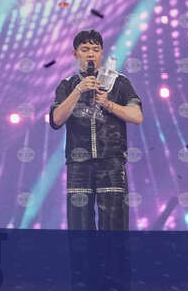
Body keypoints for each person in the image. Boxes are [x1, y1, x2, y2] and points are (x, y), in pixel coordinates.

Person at [48, 29, 143, 231]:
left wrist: (108, 104)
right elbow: (56, 120)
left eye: (95, 49)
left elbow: (137, 116)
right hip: (78, 165)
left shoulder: (119, 82)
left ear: (102, 53)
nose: (90, 54)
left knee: (114, 229)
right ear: (75, 54)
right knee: (79, 228)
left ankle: (112, 255)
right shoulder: (67, 85)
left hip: (111, 163)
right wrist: (78, 90)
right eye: (85, 49)